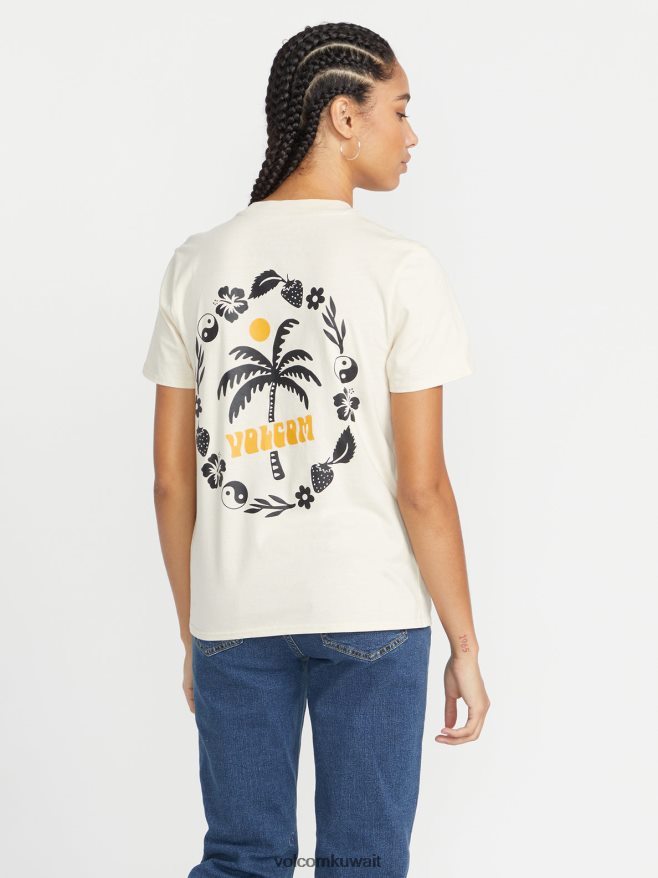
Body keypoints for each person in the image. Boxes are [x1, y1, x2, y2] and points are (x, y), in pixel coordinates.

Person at [142, 21, 490, 878]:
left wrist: (195, 631)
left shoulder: (197, 262)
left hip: (232, 613)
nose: (412, 135)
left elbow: (169, 481)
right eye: (399, 110)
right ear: (344, 116)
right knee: (364, 862)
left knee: (240, 858)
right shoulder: (400, 268)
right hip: (370, 607)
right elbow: (423, 488)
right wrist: (465, 645)